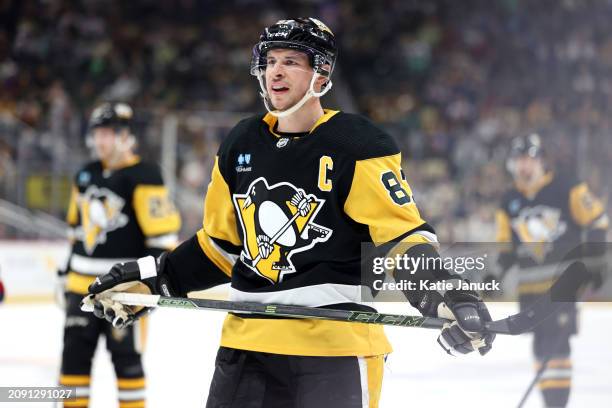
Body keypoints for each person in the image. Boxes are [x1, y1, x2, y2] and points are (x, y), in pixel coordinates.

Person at [82, 18, 495, 407]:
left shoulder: (358, 144)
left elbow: (401, 241)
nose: (276, 72)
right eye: (271, 61)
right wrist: (156, 277)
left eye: (292, 62)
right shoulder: (241, 143)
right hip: (246, 349)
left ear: (321, 74)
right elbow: (221, 248)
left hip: (333, 353)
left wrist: (442, 292)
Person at [58, 102, 181, 408]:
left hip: (122, 293)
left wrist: (144, 285)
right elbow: (76, 231)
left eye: (108, 133)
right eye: (97, 133)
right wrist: (64, 272)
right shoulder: (85, 175)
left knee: (127, 362)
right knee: (72, 362)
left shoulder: (145, 175)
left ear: (126, 136)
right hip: (80, 290)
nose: (100, 141)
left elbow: (162, 239)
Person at [494, 133, 608, 407]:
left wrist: (592, 265)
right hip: (530, 289)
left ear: (541, 161)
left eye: (529, 159)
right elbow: (505, 248)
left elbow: (598, 222)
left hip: (563, 288)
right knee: (540, 346)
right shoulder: (509, 200)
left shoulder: (568, 187)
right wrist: (491, 278)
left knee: (556, 348)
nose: (524, 166)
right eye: (519, 160)